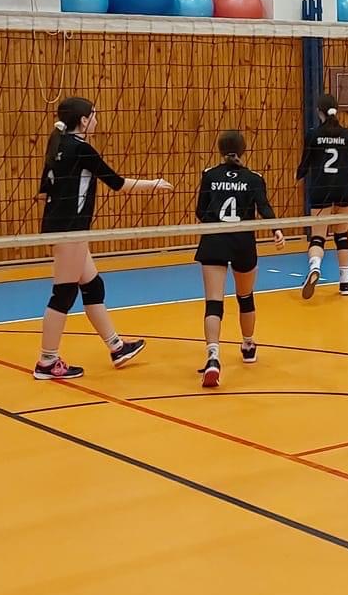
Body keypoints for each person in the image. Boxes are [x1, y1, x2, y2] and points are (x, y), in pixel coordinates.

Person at [33, 97, 171, 380]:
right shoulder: (81, 149)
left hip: (63, 227)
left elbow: (44, 191)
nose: (96, 120)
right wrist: (154, 184)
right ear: (83, 120)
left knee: (93, 286)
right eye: (94, 115)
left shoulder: (57, 144)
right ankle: (47, 361)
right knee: (64, 294)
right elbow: (117, 183)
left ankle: (117, 347)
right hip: (70, 230)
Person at [194, 130, 287, 387]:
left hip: (214, 239)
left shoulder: (209, 175)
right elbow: (264, 206)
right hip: (243, 242)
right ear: (244, 150)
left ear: (220, 150)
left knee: (213, 303)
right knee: (245, 298)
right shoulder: (254, 178)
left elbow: (200, 210)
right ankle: (247, 345)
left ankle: (213, 357)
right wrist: (277, 229)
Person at [296, 94, 348, 298]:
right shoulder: (347, 135)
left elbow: (304, 165)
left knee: (318, 237)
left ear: (319, 112)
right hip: (343, 189)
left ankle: (315, 266)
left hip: (321, 190)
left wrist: (297, 176)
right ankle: (345, 283)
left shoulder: (313, 135)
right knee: (342, 236)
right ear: (336, 110)